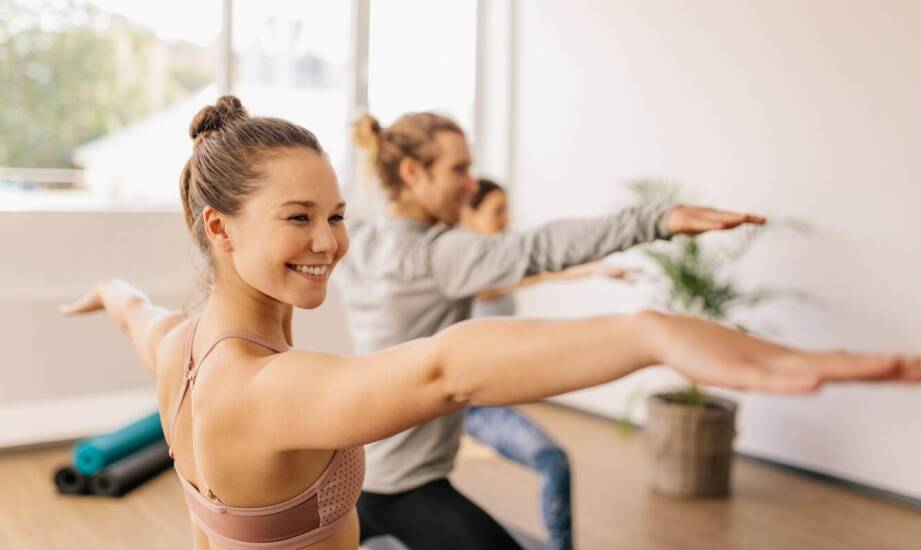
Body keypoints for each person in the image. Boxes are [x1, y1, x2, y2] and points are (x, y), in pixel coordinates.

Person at [63, 97, 919, 550]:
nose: (329, 242)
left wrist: (107, 289)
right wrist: (648, 335)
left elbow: (134, 308)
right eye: (298, 218)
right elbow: (448, 368)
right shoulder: (267, 389)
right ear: (220, 228)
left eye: (336, 215)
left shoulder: (177, 343)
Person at [340, 111, 918, 550]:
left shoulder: (361, 240)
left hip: (357, 470)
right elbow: (539, 247)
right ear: (412, 173)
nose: (472, 183)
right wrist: (654, 218)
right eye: (459, 170)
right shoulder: (438, 254)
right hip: (406, 485)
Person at [458, 177, 635, 550]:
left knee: (554, 463)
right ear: (469, 214)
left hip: (486, 400)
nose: (506, 219)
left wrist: (595, 269)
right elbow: (528, 275)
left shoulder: (496, 262)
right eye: (497, 211)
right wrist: (591, 269)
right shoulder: (463, 268)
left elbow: (535, 273)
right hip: (459, 403)